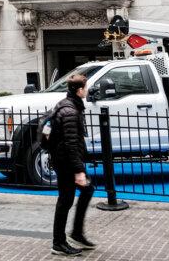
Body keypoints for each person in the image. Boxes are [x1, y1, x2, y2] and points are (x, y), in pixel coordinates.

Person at [49, 74, 96, 255]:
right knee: (65, 200)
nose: (88, 90)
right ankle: (58, 243)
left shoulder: (68, 105)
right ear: (79, 90)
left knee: (87, 189)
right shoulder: (70, 111)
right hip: (66, 163)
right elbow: (70, 144)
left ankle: (75, 233)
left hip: (66, 161)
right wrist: (78, 170)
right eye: (86, 87)